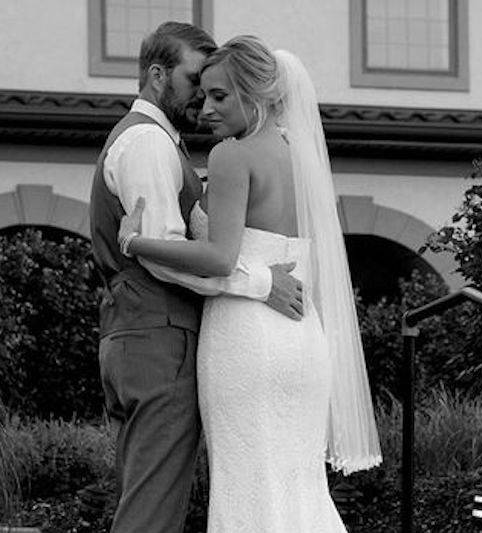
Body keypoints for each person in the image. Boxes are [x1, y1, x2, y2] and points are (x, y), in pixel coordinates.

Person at [118, 36, 382, 532]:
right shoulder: (300, 158)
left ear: (256, 97)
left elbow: (219, 258)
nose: (206, 109)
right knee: (298, 487)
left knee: (247, 485)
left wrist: (136, 242)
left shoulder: (231, 156)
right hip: (303, 340)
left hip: (246, 341)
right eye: (206, 94)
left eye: (221, 97)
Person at [88, 23, 305, 533]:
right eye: (193, 81)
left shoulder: (156, 140)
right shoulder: (147, 142)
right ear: (158, 75)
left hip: (137, 334)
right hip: (159, 338)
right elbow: (164, 257)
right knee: (152, 513)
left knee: (144, 501)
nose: (201, 99)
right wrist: (260, 283)